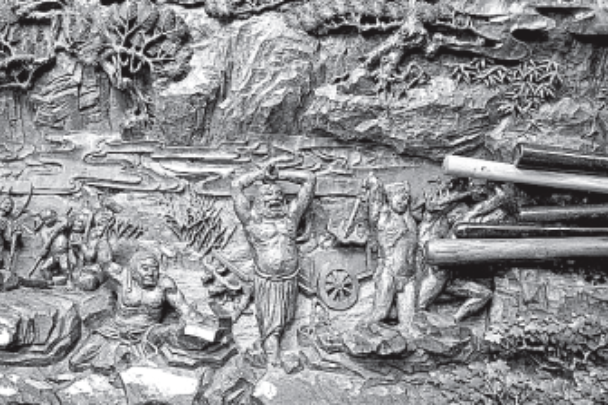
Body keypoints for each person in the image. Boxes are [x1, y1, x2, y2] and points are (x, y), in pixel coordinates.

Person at [69, 251, 212, 375]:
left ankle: (120, 370)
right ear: (133, 270)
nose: (151, 273)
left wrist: (195, 319)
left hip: (147, 334)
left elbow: (184, 308)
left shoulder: (164, 284)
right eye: (145, 268)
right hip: (113, 331)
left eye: (155, 269)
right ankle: (102, 370)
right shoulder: (121, 276)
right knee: (75, 362)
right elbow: (101, 263)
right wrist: (88, 277)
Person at [232, 162, 316, 366]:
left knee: (285, 320)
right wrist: (260, 174)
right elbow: (236, 186)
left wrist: (281, 174)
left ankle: (273, 352)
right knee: (272, 326)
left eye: (279, 195)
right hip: (267, 283)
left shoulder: (291, 219)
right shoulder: (252, 221)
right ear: (259, 202)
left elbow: (310, 179)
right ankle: (273, 360)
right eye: (268, 195)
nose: (275, 198)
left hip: (289, 281)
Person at [417, 178, 515, 323]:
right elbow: (435, 206)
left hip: (450, 279)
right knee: (419, 307)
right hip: (434, 276)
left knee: (485, 294)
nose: (456, 215)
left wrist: (497, 204)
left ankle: (454, 319)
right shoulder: (431, 222)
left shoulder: (457, 229)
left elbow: (476, 213)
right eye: (456, 212)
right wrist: (468, 193)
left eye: (460, 212)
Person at [362, 173, 418, 335]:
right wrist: (374, 184)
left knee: (408, 324)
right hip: (389, 274)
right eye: (400, 199)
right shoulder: (383, 219)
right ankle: (364, 334)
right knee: (380, 314)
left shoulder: (410, 219)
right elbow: (375, 202)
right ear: (390, 198)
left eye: (406, 199)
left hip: (409, 277)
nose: (404, 202)